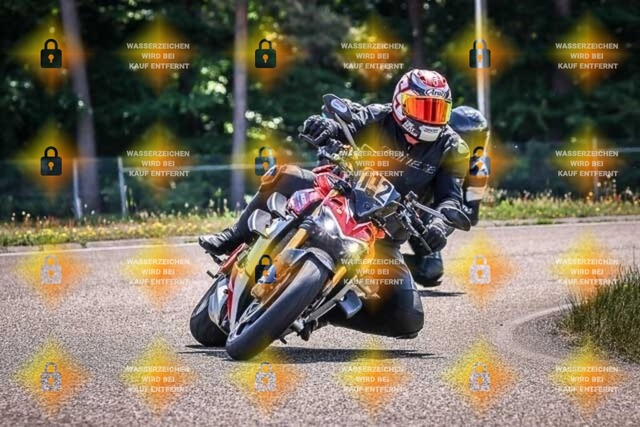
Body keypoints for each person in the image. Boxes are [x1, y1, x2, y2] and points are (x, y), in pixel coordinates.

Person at [199, 69, 469, 339]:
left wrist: (439, 225)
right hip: (338, 196)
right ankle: (233, 236)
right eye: (421, 107)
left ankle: (322, 312)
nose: (428, 118)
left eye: (437, 110)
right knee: (286, 176)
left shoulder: (452, 147)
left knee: (408, 319)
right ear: (400, 102)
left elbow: (451, 199)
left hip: (383, 237)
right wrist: (326, 127)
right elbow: (348, 123)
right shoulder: (379, 116)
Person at [404, 105, 490, 287]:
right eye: (467, 140)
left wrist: (440, 218)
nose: (472, 147)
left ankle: (381, 267)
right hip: (399, 207)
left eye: (478, 140)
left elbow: (471, 216)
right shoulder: (428, 154)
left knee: (430, 271)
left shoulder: (478, 171)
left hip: (427, 220)